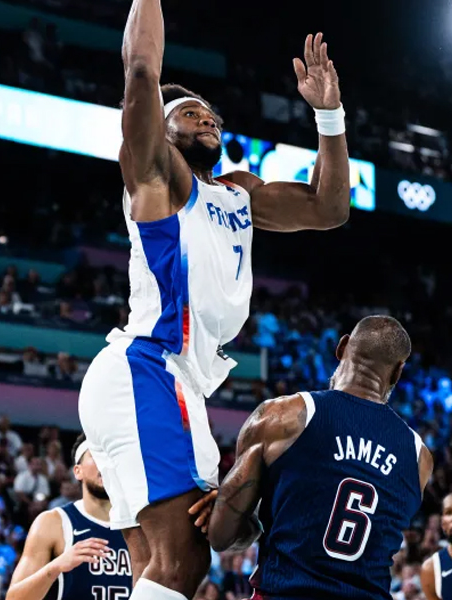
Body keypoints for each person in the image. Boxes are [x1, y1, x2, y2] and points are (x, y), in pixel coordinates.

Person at [77, 0, 352, 597]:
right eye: (192, 113)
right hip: (146, 368)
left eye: (213, 115)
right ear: (163, 127)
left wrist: (329, 115)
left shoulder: (239, 193)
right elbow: (142, 72)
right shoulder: (158, 174)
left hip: (177, 382)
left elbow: (330, 209)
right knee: (182, 563)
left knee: (171, 562)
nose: (209, 119)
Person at [206, 316, 433, 599]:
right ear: (398, 372)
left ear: (342, 347)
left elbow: (220, 535)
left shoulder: (280, 417)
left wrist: (252, 522)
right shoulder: (419, 457)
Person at [6, 435, 125, 600]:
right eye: (96, 455)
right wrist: (55, 566)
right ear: (78, 471)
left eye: (110, 457)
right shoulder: (52, 523)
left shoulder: (141, 524)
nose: (105, 463)